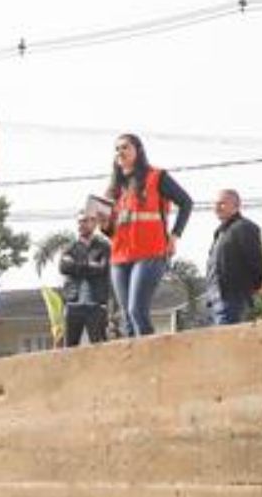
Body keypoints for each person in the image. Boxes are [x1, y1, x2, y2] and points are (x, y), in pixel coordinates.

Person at [103, 133, 191, 338]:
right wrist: (103, 224)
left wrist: (175, 236)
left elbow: (186, 203)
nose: (120, 152)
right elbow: (111, 231)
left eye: (125, 147)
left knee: (136, 310)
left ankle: (154, 359)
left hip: (150, 253)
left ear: (138, 151)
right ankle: (137, 367)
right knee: (126, 316)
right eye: (117, 149)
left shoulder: (156, 176)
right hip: (119, 257)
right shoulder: (114, 189)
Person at [206, 189, 262, 326]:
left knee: (229, 343)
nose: (217, 207)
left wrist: (251, 288)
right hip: (216, 301)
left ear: (236, 206)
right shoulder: (220, 232)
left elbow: (257, 263)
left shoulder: (244, 227)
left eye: (222, 204)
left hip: (233, 300)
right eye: (216, 204)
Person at [58, 213, 111, 347]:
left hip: (95, 304)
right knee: (70, 349)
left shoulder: (104, 246)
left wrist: (75, 264)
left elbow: (102, 269)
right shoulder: (69, 247)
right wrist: (89, 264)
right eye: (79, 222)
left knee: (100, 347)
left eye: (85, 221)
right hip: (73, 303)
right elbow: (64, 267)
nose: (81, 225)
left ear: (94, 223)